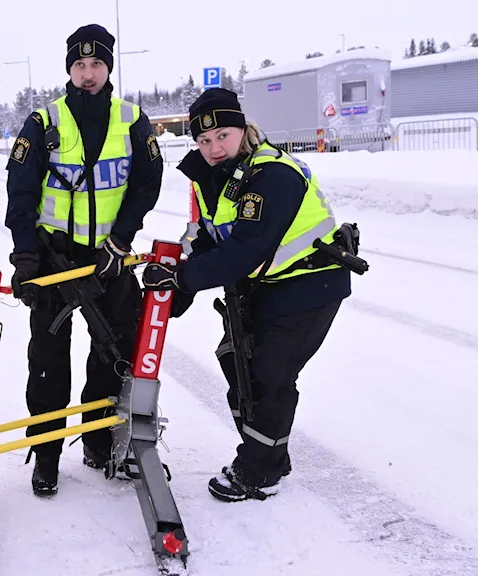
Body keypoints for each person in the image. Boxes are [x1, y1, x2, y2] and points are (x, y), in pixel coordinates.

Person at [142, 87, 362, 503]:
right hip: (266, 285)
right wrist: (173, 292)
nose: (213, 147)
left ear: (242, 129)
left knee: (270, 373)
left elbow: (246, 249)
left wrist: (184, 281)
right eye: (203, 141)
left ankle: (261, 469)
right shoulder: (220, 177)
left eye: (222, 135)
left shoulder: (272, 174)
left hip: (310, 284)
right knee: (236, 360)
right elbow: (209, 236)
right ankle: (268, 451)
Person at [4, 23, 164, 497]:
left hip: (108, 260)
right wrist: (27, 257)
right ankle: (47, 454)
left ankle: (97, 442)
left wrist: (121, 240)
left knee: (111, 354)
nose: (88, 73)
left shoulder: (132, 119)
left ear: (109, 68)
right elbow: (21, 192)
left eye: (96, 64)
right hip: (56, 258)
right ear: (69, 69)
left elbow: (146, 185)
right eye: (79, 64)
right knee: (48, 359)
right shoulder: (43, 121)